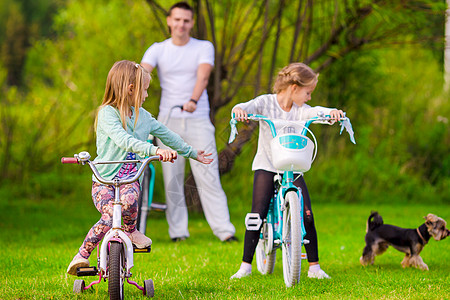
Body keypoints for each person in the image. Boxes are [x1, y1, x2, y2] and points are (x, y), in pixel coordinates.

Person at [67, 60, 213, 275]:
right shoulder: (108, 113)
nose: (146, 95)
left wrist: (191, 152)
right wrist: (154, 151)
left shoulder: (143, 117)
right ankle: (82, 255)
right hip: (104, 180)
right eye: (144, 90)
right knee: (109, 216)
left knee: (130, 200)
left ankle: (131, 230)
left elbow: (167, 135)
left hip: (129, 179)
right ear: (131, 89)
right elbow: (123, 139)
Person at [230, 62, 345, 280]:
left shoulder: (301, 111)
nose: (309, 97)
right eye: (308, 92)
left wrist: (332, 113)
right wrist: (239, 110)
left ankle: (314, 267)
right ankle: (246, 265)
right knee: (258, 213)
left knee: (306, 214)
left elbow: (318, 112)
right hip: (267, 164)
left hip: (293, 167)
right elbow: (247, 106)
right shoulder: (266, 103)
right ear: (294, 87)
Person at [140, 2, 236, 242]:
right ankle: (178, 233)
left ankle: (225, 232)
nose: (181, 25)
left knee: (208, 174)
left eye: (186, 21)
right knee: (172, 176)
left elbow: (203, 76)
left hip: (198, 118)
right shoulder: (157, 49)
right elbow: (141, 72)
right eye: (177, 20)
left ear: (192, 23)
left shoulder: (203, 47)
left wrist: (193, 99)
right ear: (169, 22)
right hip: (168, 120)